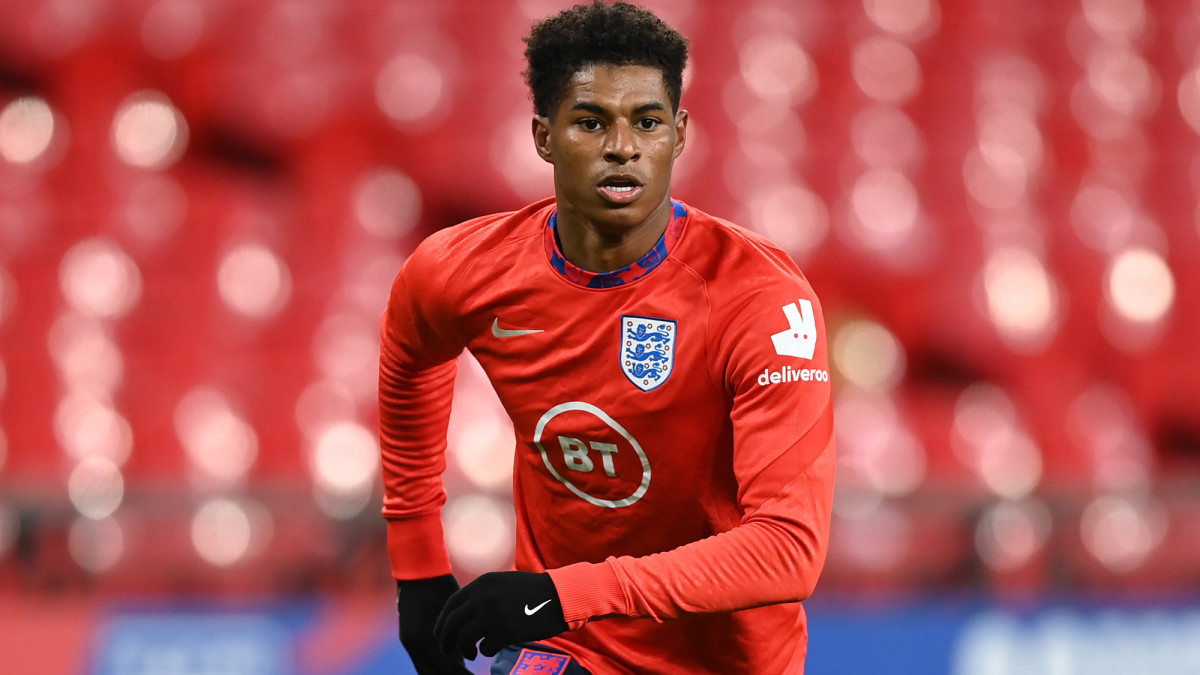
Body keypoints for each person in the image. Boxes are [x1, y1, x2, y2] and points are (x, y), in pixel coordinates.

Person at [378, 2, 837, 673]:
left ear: (679, 134)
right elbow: (410, 359)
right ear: (544, 136)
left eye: (647, 121)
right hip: (568, 646)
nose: (623, 146)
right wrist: (418, 566)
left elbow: (789, 548)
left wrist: (565, 594)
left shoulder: (760, 299)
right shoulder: (462, 271)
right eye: (591, 122)